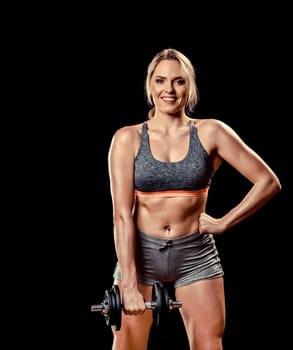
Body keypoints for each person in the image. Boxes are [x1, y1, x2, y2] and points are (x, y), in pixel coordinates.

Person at [107, 48, 281, 350]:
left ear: (189, 86)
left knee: (208, 345)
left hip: (194, 255)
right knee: (128, 346)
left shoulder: (211, 132)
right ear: (150, 86)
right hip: (140, 253)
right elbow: (122, 216)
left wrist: (224, 222)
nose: (169, 90)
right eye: (161, 81)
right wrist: (131, 286)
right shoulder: (128, 138)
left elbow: (268, 181)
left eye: (178, 82)